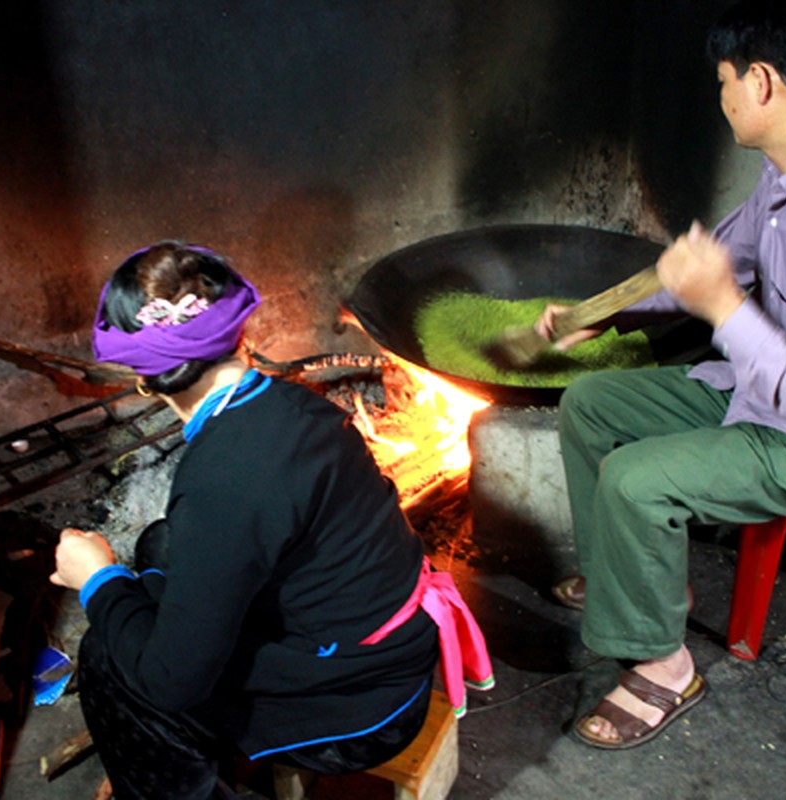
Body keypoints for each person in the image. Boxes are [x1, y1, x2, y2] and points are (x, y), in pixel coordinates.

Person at [535, 0, 786, 750]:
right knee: (591, 402)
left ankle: (665, 665)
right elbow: (710, 264)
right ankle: (638, 587)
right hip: (758, 395)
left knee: (634, 479)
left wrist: (724, 308)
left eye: (722, 79)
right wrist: (606, 312)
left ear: (759, 81)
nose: (718, 97)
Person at [52, 241, 493, 799]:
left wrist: (95, 579)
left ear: (146, 378)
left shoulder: (222, 475)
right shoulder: (296, 405)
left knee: (110, 661)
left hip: (359, 712)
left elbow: (172, 683)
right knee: (160, 545)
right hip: (391, 650)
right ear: (240, 336)